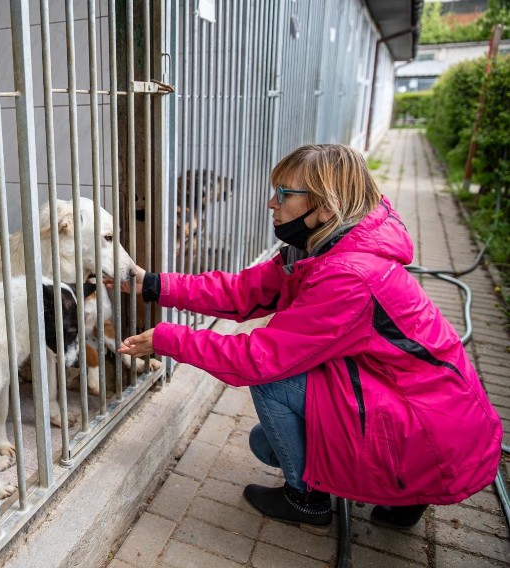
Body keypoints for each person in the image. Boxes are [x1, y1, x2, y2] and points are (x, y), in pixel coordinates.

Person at [113, 144, 502, 534]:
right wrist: (151, 284)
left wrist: (168, 339)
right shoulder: (329, 247)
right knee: (265, 442)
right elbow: (242, 291)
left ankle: (308, 499)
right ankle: (405, 495)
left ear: (326, 207)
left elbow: (261, 358)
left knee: (272, 385)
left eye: (284, 194)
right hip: (428, 415)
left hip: (432, 438)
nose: (271, 202)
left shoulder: (349, 274)